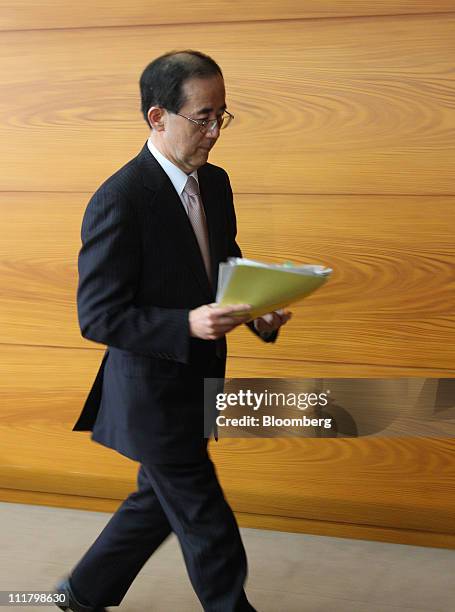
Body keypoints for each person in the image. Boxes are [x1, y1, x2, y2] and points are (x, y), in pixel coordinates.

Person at [55, 50, 291, 612]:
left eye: (222, 117)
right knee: (205, 519)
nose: (214, 132)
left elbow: (223, 263)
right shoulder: (121, 199)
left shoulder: (216, 184)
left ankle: (78, 595)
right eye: (202, 117)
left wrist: (256, 307)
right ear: (158, 117)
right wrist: (185, 323)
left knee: (155, 504)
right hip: (149, 393)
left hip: (199, 379)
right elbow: (99, 315)